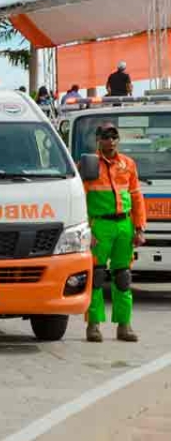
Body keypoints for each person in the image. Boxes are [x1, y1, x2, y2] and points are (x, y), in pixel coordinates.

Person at [84, 122, 146, 343]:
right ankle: (93, 325)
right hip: (99, 226)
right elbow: (80, 199)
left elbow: (137, 197)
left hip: (124, 226)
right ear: (98, 139)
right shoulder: (88, 165)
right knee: (96, 277)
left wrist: (139, 228)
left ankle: (124, 325)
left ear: (118, 139)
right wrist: (85, 230)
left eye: (113, 136)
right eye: (105, 137)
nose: (110, 141)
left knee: (123, 277)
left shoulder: (128, 164)